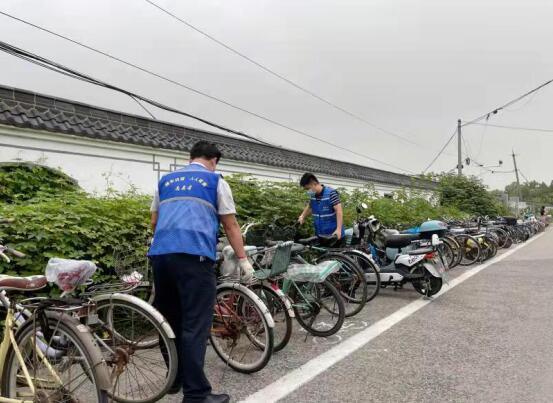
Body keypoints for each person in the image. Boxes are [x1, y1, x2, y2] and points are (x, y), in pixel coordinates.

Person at [148, 141, 253, 403]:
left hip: (160, 257)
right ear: (214, 160)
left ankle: (175, 379)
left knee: (169, 321)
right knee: (195, 325)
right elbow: (230, 224)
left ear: (191, 157)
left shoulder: (166, 181)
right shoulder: (216, 181)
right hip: (195, 258)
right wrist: (243, 259)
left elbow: (154, 221)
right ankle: (196, 395)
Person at [297, 172, 345, 242]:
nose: (308, 191)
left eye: (308, 189)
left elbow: (339, 211)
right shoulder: (313, 196)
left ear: (314, 183)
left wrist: (338, 229)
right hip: (320, 236)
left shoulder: (331, 193)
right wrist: (302, 216)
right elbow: (310, 206)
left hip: (334, 236)